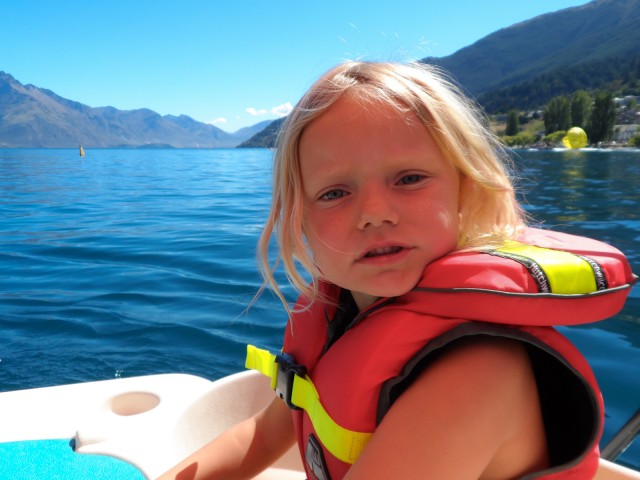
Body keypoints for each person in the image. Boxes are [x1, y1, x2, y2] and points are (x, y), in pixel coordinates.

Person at [159, 61, 635, 480]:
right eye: (334, 193)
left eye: (409, 179)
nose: (374, 212)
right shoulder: (336, 318)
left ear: (466, 192)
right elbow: (263, 437)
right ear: (299, 221)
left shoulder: (478, 373)